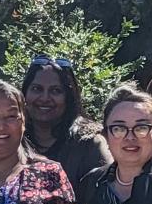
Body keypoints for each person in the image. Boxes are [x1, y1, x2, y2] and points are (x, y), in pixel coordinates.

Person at [20, 57, 110, 191]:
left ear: (69, 96)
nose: (45, 98)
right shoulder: (13, 140)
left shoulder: (90, 143)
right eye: (37, 89)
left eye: (55, 91)